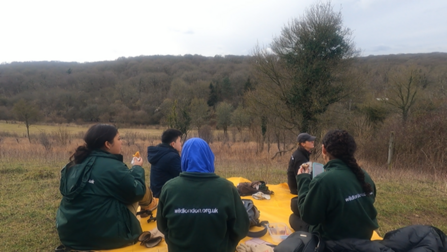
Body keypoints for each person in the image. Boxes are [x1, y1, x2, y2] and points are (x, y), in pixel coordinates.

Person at [56, 124, 149, 250]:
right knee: (137, 190)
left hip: (69, 235)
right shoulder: (113, 167)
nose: (121, 142)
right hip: (106, 239)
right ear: (107, 144)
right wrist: (137, 169)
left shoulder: (71, 165)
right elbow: (136, 192)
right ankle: (150, 204)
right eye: (119, 139)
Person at [157, 138, 249, 252]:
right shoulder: (227, 188)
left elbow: (162, 226)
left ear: (184, 158)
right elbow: (241, 229)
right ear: (209, 157)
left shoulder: (169, 188)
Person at [296, 129, 378, 241]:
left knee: (294, 218)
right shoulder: (363, 174)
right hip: (363, 238)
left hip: (334, 243)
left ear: (323, 149)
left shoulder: (324, 180)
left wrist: (303, 179)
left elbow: (309, 217)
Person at [147, 128, 183, 205]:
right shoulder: (172, 157)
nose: (181, 143)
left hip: (156, 195)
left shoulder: (159, 153)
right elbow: (183, 177)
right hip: (166, 198)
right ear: (173, 144)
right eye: (180, 141)